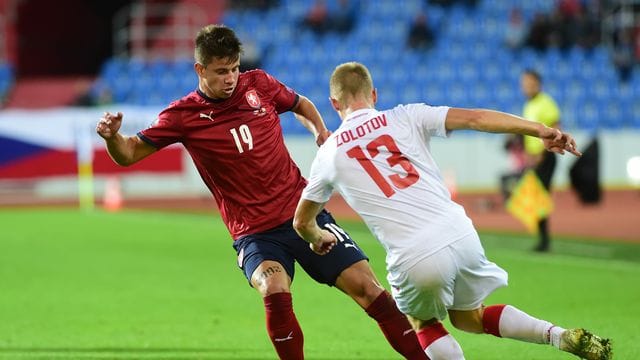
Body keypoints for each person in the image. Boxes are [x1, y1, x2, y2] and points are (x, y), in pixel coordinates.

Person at [95, 25, 427, 360]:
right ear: (200, 69)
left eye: (235, 68)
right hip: (254, 234)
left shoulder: (259, 85)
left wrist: (320, 131)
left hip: (303, 216)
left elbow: (301, 104)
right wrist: (112, 138)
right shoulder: (183, 115)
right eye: (222, 71)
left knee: (369, 290)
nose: (231, 78)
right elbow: (129, 153)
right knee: (274, 288)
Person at [293, 62, 612, 360]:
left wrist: (317, 237)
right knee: (469, 317)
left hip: (414, 254)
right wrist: (538, 129)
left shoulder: (329, 153)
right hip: (460, 233)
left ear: (334, 104)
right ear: (374, 94)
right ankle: (557, 336)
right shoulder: (407, 115)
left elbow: (301, 221)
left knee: (422, 322)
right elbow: (476, 118)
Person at [520, 69, 561, 252]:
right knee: (535, 197)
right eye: (524, 83)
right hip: (534, 158)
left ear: (537, 83)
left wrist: (542, 154)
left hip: (546, 157)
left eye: (529, 82)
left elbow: (556, 128)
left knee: (539, 197)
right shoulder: (528, 105)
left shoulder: (546, 103)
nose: (525, 86)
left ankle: (544, 241)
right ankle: (542, 238)